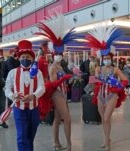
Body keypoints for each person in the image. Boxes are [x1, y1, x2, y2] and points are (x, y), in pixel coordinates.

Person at [35, 15, 77, 151]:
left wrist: (71, 76)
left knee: (57, 119)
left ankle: (56, 142)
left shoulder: (60, 66)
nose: (59, 55)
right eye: (56, 53)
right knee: (67, 119)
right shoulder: (52, 67)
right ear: (53, 54)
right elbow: (53, 84)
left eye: (61, 53)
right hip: (57, 94)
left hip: (63, 94)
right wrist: (64, 79)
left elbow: (63, 81)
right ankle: (69, 145)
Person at [86, 24, 128, 151]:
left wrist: (117, 86)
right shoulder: (98, 68)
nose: (106, 60)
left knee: (106, 118)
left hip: (112, 95)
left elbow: (125, 80)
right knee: (103, 120)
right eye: (104, 58)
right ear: (102, 58)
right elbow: (96, 82)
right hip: (100, 96)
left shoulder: (115, 69)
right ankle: (106, 139)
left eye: (108, 58)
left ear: (111, 58)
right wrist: (94, 86)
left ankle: (108, 143)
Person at [5, 40, 45, 151]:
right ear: (19, 58)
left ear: (32, 58)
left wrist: (33, 95)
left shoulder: (38, 72)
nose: (25, 59)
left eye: (27, 57)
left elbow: (42, 87)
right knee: (22, 136)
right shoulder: (13, 72)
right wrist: (12, 95)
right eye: (23, 57)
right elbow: (7, 88)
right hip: (19, 108)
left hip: (34, 108)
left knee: (30, 135)